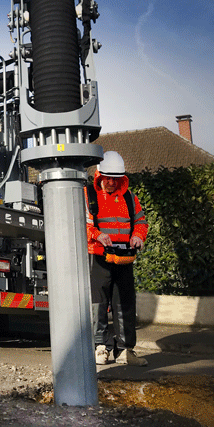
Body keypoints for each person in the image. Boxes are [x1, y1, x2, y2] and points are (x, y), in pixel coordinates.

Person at [86, 151, 149, 366]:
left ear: (122, 179)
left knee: (125, 303)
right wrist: (97, 235)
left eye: (116, 179)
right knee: (98, 303)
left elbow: (141, 222)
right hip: (99, 256)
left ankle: (125, 350)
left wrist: (138, 236)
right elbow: (82, 223)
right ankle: (100, 348)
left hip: (124, 258)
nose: (111, 183)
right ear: (99, 176)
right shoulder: (89, 195)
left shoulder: (130, 197)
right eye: (107, 178)